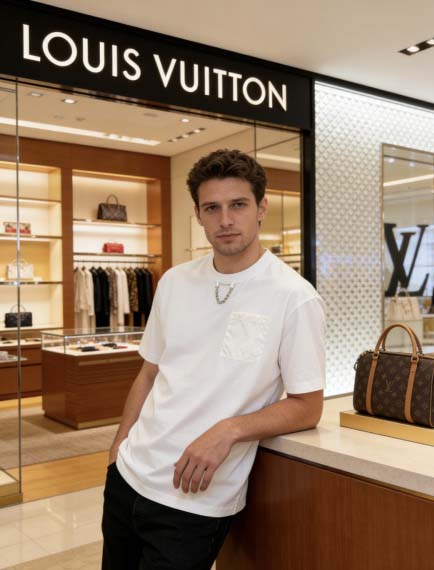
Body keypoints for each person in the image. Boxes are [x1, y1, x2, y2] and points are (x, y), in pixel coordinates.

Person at [101, 149, 326, 570]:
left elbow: (307, 405)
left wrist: (229, 429)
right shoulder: (174, 282)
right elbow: (149, 373)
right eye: (212, 208)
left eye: (238, 205)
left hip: (196, 499)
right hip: (128, 479)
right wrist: (119, 448)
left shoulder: (294, 297)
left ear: (261, 208)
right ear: (198, 215)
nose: (225, 220)